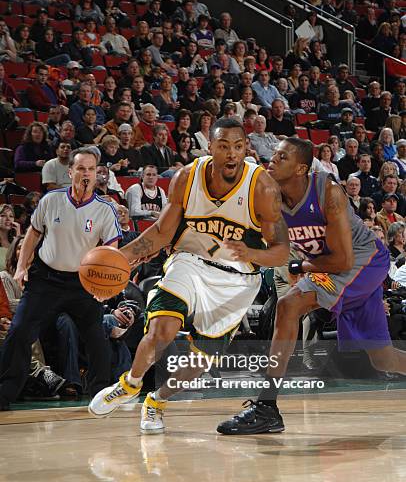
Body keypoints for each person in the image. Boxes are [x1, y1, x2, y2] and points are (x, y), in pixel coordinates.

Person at [88, 118, 290, 429]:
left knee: (201, 361)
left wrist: (252, 253)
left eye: (238, 147)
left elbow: (281, 250)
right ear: (210, 148)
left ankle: (158, 399)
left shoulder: (261, 186)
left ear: (246, 149)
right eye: (223, 147)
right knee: (161, 329)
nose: (232, 154)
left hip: (237, 279)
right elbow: (160, 233)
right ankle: (131, 383)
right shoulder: (187, 176)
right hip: (191, 261)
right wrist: (119, 258)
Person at [217, 137, 406, 435]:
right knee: (382, 357)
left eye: (281, 157)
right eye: (274, 154)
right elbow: (279, 249)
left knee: (288, 306)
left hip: (364, 261)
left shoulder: (327, 193)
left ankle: (267, 407)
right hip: (332, 265)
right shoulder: (270, 196)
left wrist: (300, 266)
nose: (273, 159)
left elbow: (342, 261)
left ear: (301, 168)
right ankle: (267, 409)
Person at [0, 147, 122, 411]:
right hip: (46, 279)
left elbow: (112, 251)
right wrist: (21, 267)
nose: (86, 173)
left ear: (97, 174)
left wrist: (106, 285)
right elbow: (32, 234)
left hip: (83, 282)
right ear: (71, 172)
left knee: (97, 338)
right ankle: (5, 392)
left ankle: (100, 395)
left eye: (91, 169)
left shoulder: (105, 210)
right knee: (20, 330)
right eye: (81, 168)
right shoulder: (51, 199)